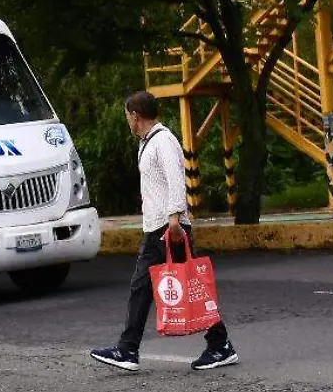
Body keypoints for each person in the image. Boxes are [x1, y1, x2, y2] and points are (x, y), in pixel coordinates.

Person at [92, 91, 238, 372]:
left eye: (128, 117)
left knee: (188, 287)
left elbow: (175, 180)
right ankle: (129, 349)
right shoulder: (147, 143)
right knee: (149, 288)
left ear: (136, 116)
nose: (128, 123)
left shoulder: (163, 140)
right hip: (157, 226)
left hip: (168, 227)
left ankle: (217, 345)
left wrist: (174, 220)